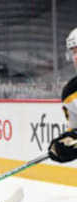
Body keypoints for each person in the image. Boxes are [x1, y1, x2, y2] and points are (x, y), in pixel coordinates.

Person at [48, 28, 77, 163]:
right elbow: (74, 132)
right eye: (74, 51)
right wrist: (65, 147)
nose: (75, 56)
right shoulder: (71, 93)